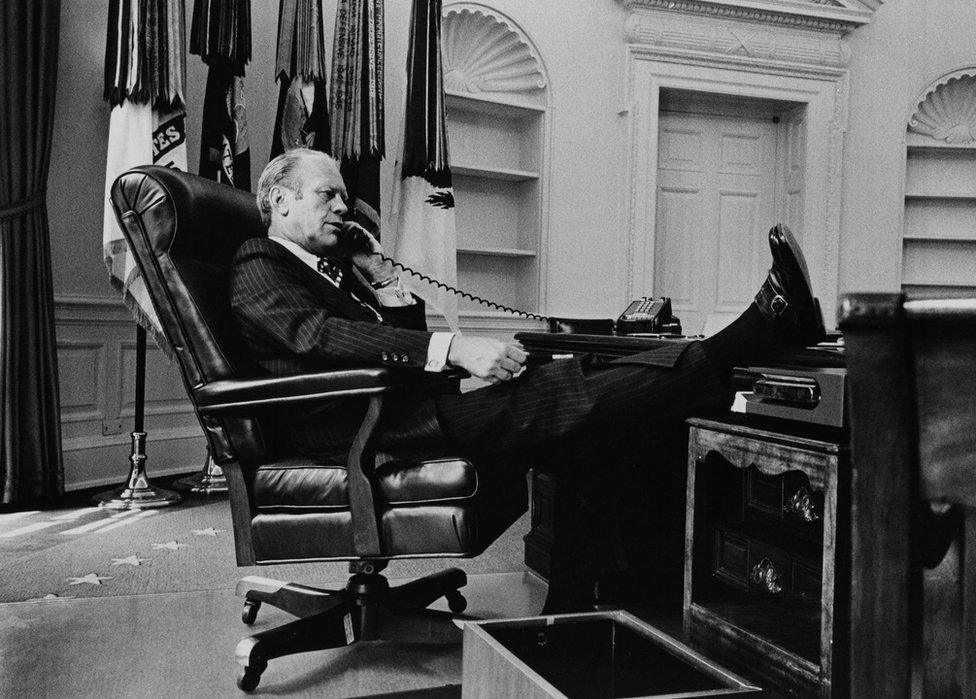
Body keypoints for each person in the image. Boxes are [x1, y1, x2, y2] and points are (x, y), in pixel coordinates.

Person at [230, 147, 826, 612]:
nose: (343, 206)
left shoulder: (331, 270)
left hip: (396, 414)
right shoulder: (260, 261)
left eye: (343, 195)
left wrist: (381, 277)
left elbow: (384, 339)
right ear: (280, 201)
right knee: (556, 397)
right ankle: (750, 337)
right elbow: (318, 338)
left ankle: (577, 592)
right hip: (353, 434)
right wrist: (457, 348)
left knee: (572, 394)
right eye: (326, 195)